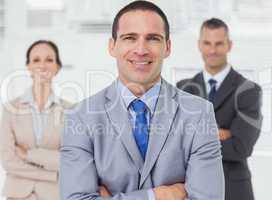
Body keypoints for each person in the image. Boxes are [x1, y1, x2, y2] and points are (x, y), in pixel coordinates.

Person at [60, 1, 224, 200]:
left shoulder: (199, 114)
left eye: (153, 38)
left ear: (168, 47)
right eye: (130, 38)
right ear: (112, 46)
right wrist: (156, 195)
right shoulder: (80, 117)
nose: (141, 50)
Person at [176, 18, 262, 200]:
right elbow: (176, 144)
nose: (212, 50)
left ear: (229, 45)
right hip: (191, 190)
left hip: (234, 191)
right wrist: (216, 133)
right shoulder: (183, 88)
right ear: (199, 45)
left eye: (219, 44)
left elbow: (240, 147)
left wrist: (196, 136)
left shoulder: (248, 90)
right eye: (207, 43)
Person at [0, 40, 70, 200]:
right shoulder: (10, 108)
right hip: (17, 195)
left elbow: (68, 160)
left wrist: (28, 154)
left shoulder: (71, 111)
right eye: (36, 60)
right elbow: (8, 161)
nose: (42, 66)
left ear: (57, 67)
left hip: (54, 195)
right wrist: (52, 175)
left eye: (49, 60)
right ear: (29, 67)